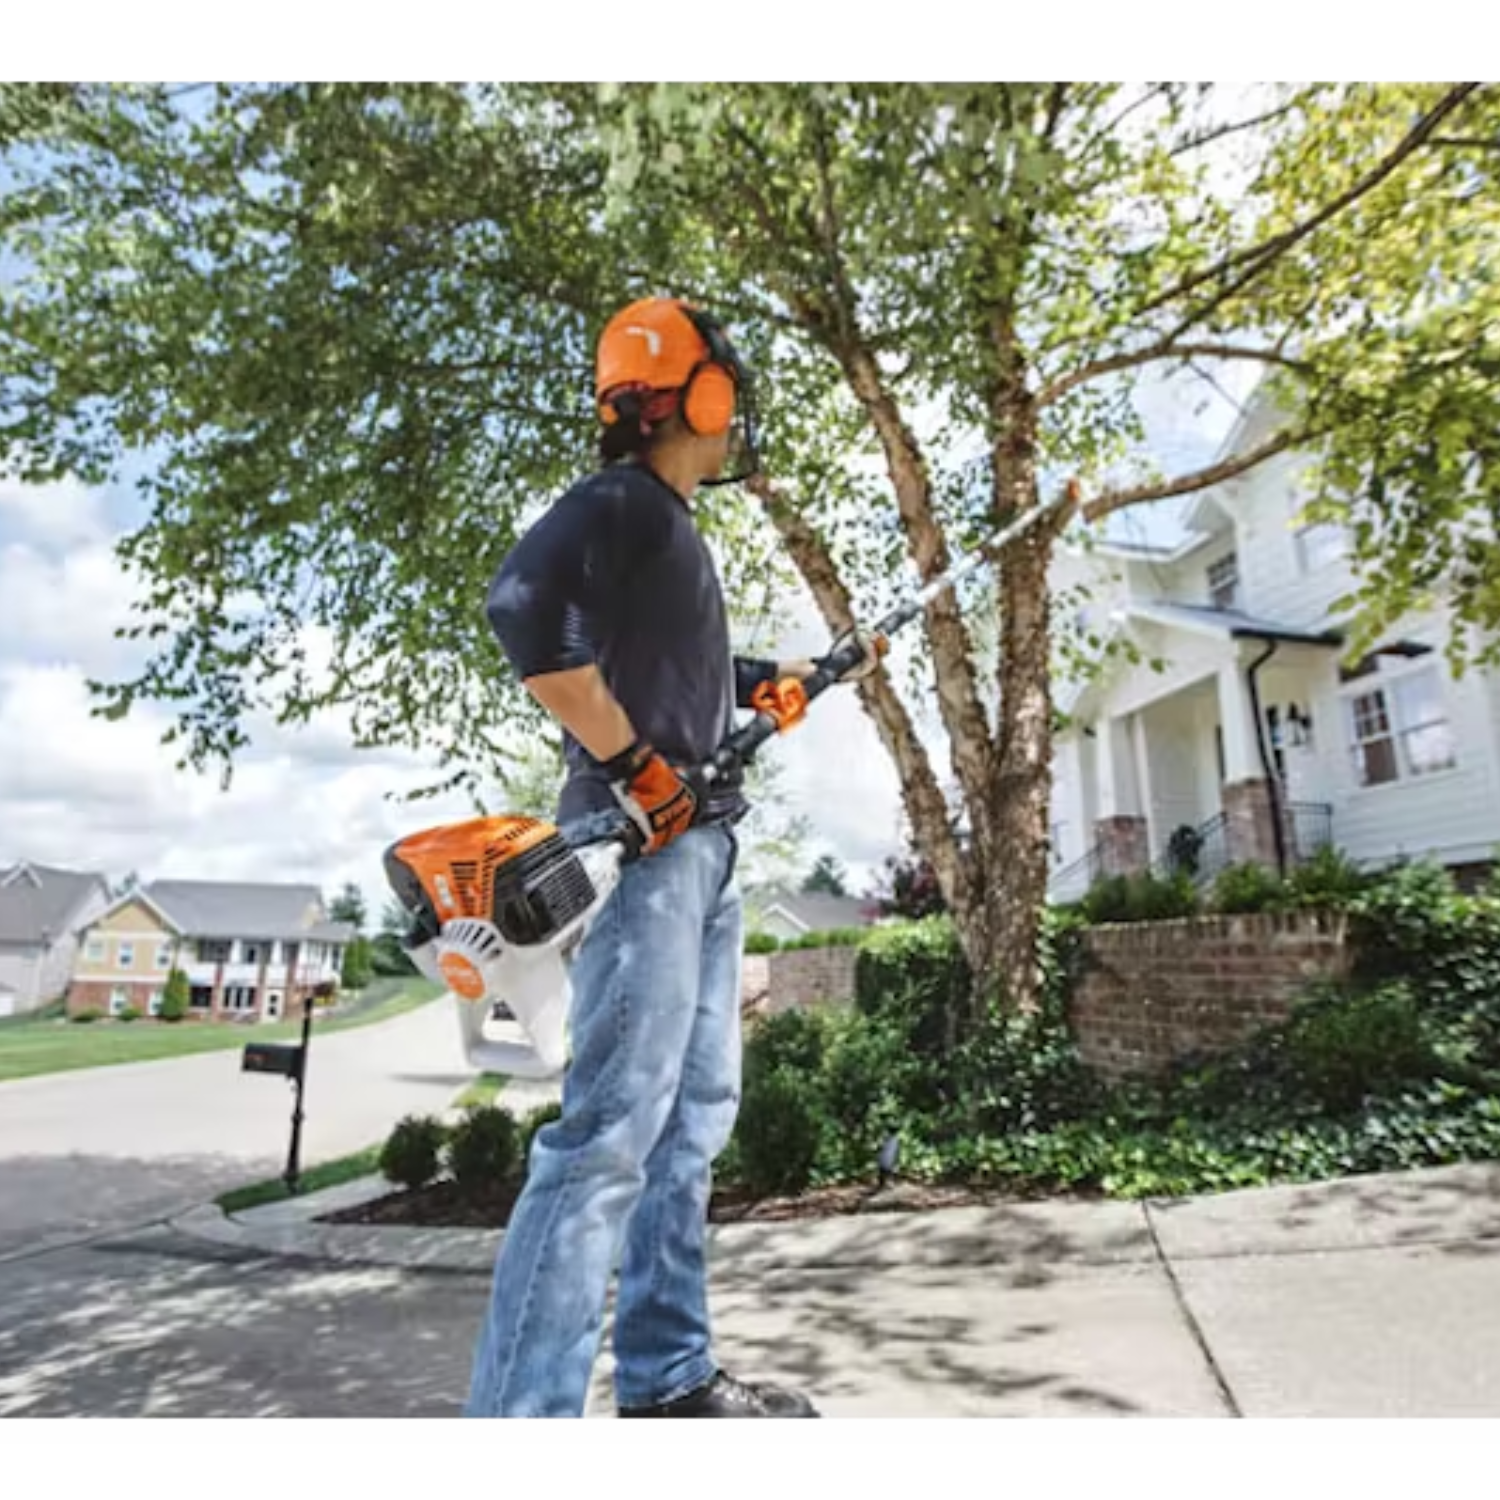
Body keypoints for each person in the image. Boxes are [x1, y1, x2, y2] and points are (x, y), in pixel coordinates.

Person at [466, 295, 877, 1419]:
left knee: (688, 1126)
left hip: (698, 856)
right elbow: (523, 612)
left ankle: (668, 1380)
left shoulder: (664, 531)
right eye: (726, 384)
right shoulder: (628, 503)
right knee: (605, 1140)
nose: (735, 408)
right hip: (643, 851)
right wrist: (640, 769)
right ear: (692, 393)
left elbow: (657, 665)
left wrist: (760, 683)